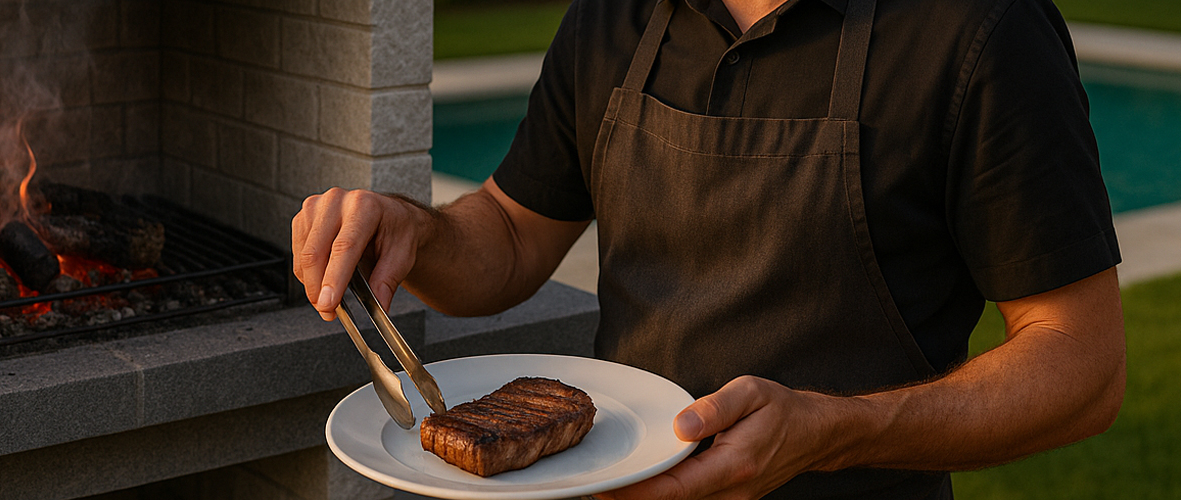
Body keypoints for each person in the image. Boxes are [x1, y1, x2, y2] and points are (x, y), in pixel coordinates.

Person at [292, 0, 1126, 497]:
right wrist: (416, 232)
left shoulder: (981, 28)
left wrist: (835, 430)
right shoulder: (613, 17)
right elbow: (510, 237)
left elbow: (1083, 365)